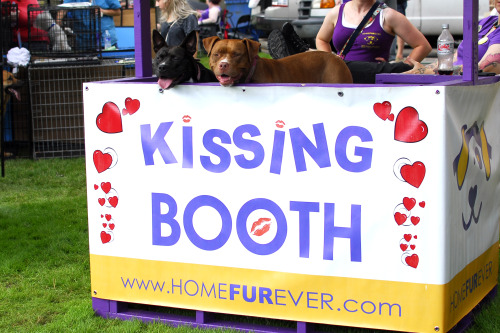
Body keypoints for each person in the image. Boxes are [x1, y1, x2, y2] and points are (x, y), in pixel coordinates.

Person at [316, 0, 430, 64]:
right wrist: (330, 62)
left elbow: (423, 46)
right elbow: (321, 39)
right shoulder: (336, 13)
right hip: (342, 82)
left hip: (374, 84)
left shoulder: (388, 15)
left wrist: (402, 68)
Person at [407, 0, 500, 75]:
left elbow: (488, 67)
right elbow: (455, 58)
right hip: (449, 81)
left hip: (467, 88)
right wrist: (422, 69)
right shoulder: (486, 22)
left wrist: (431, 72)